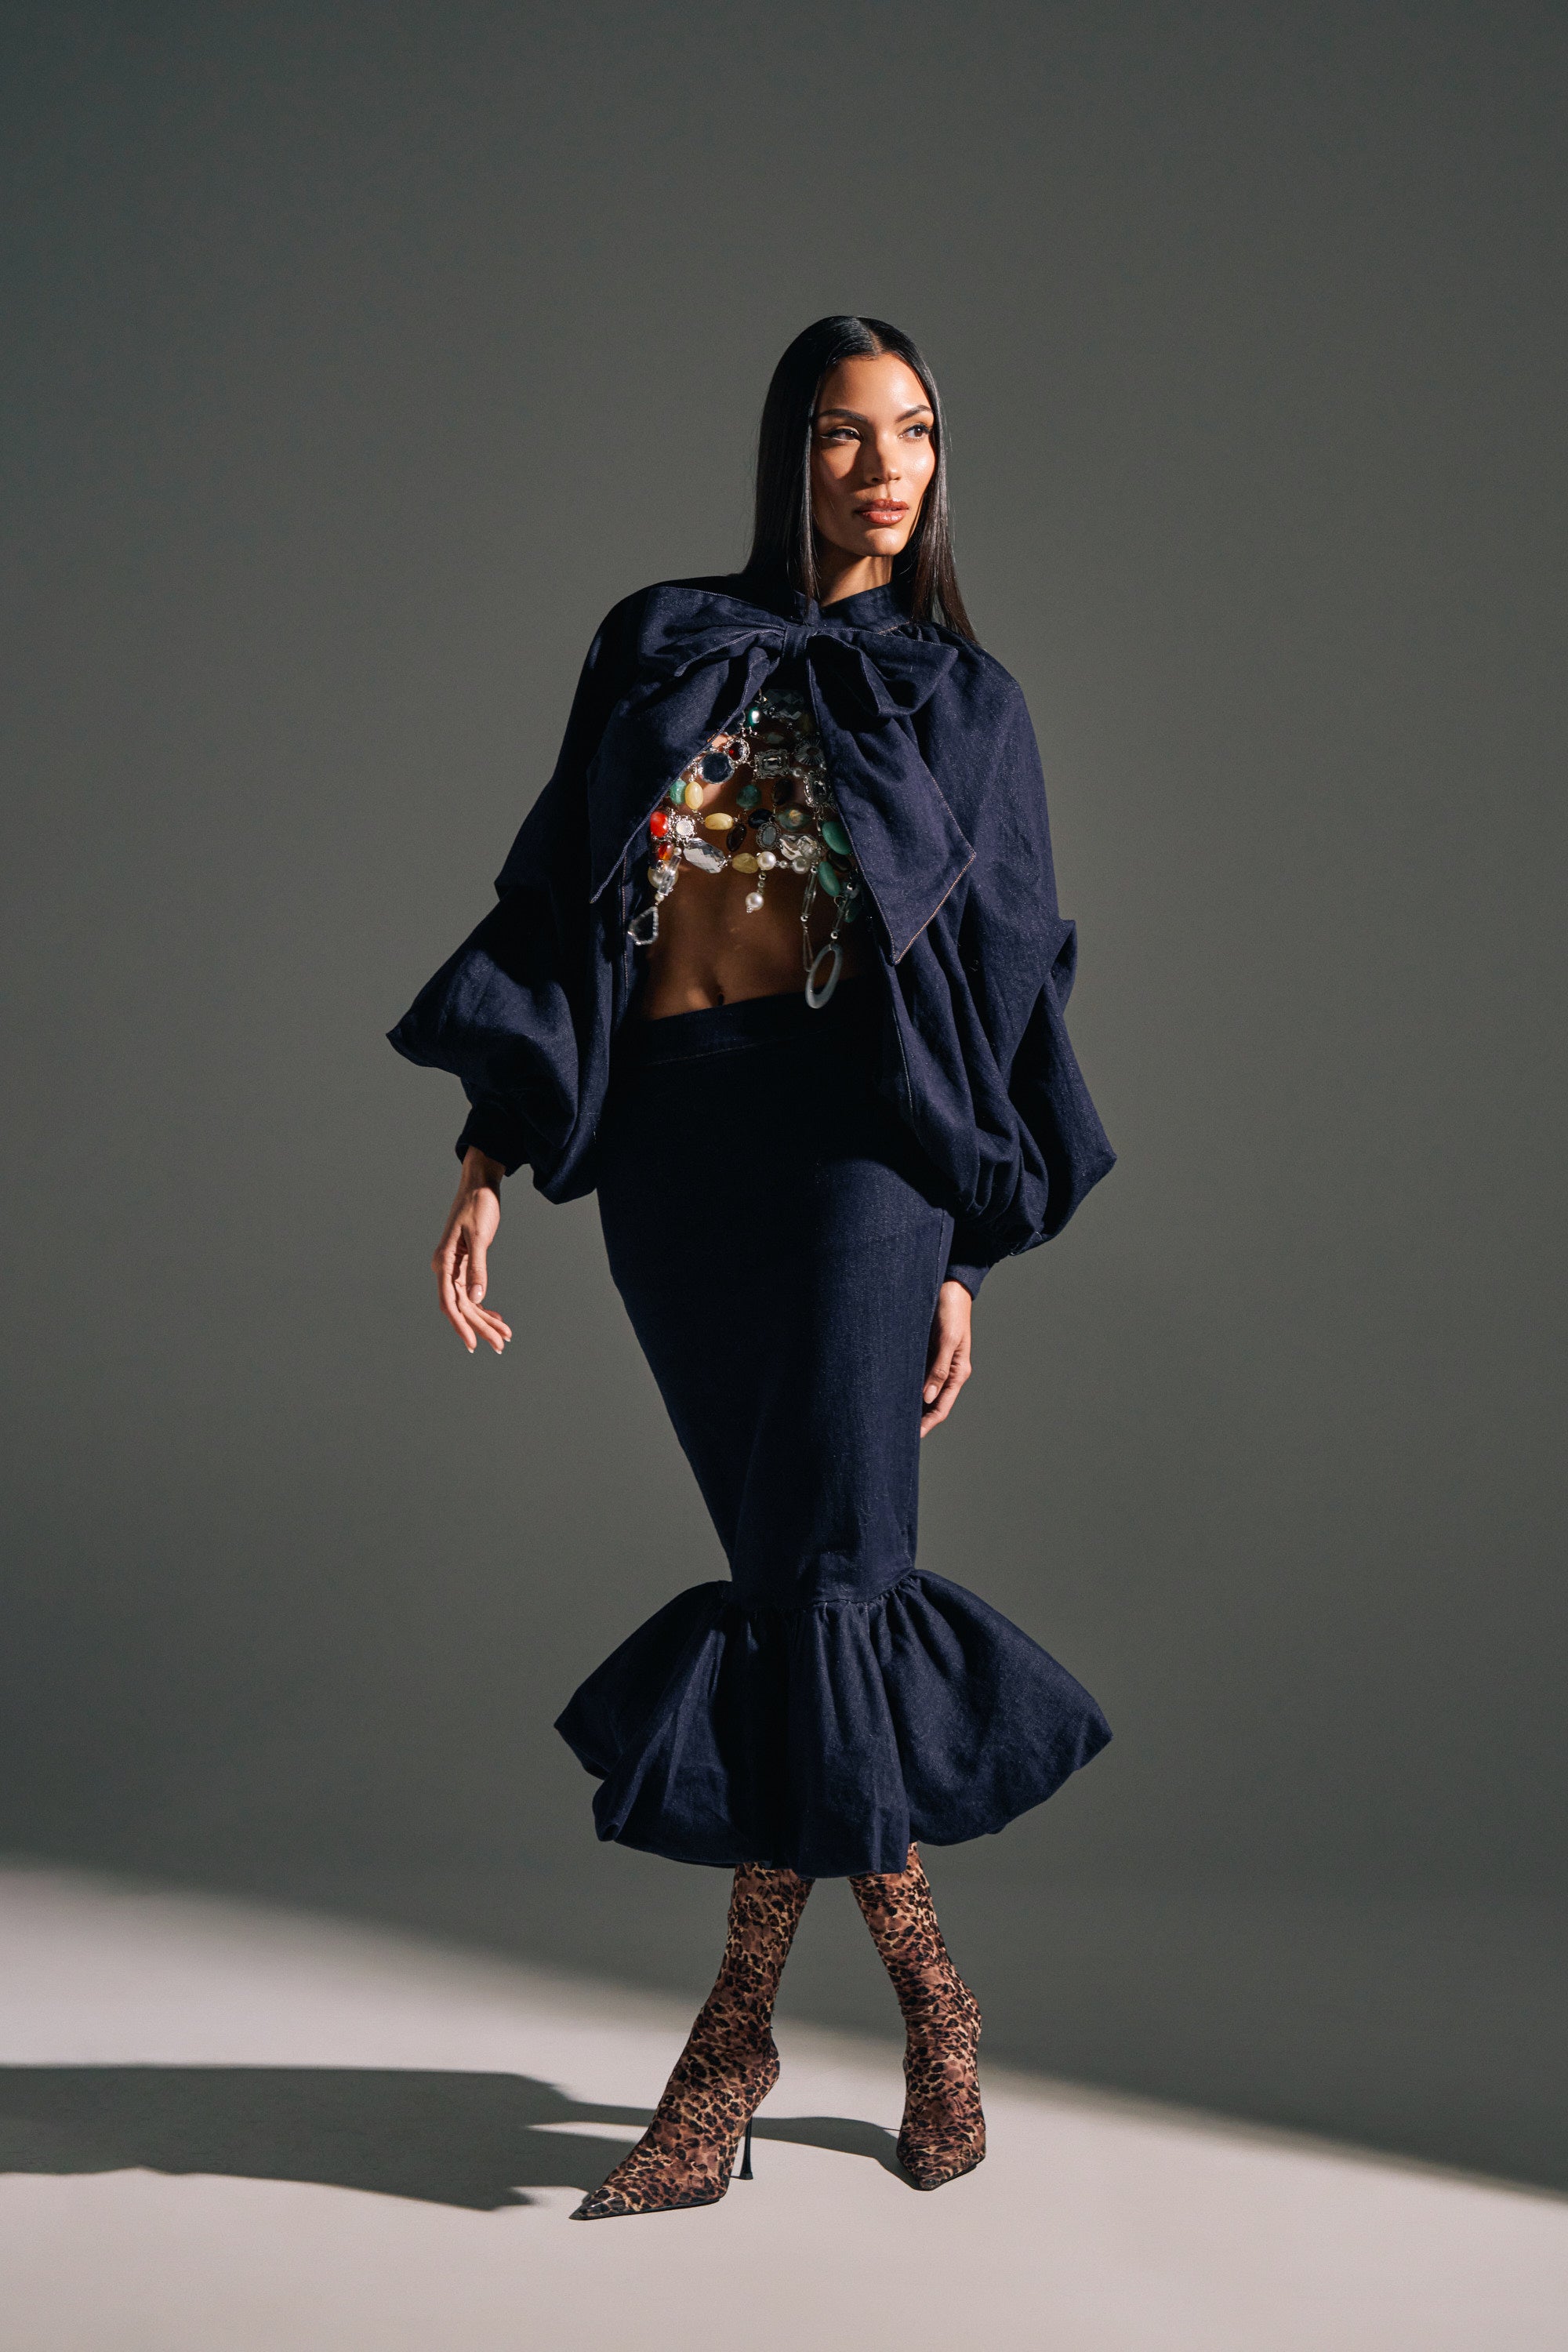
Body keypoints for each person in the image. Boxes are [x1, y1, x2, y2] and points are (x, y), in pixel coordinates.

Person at [387, 315, 1116, 2218]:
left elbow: (1001, 977)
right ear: (784, 454)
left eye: (919, 434)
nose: (890, 468)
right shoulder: (661, 639)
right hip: (681, 1164)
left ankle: (750, 2043)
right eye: (847, 433)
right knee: (796, 1582)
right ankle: (915, 2013)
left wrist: (952, 1246)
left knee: (825, 1583)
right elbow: (559, 899)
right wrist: (490, 1144)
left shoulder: (969, 703)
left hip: (861, 1167)